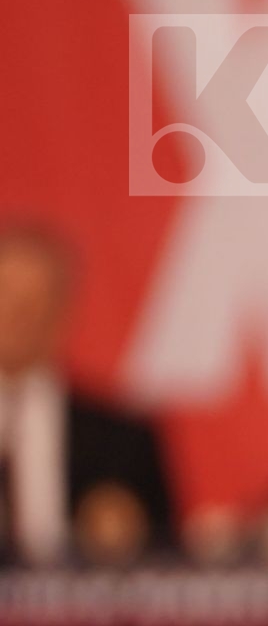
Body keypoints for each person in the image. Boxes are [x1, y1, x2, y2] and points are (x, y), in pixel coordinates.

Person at [0, 222, 174, 566]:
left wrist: (126, 537)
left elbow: (172, 554)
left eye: (35, 299)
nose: (19, 316)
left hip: (80, 614)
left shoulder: (122, 437)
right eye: (5, 295)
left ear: (64, 310)